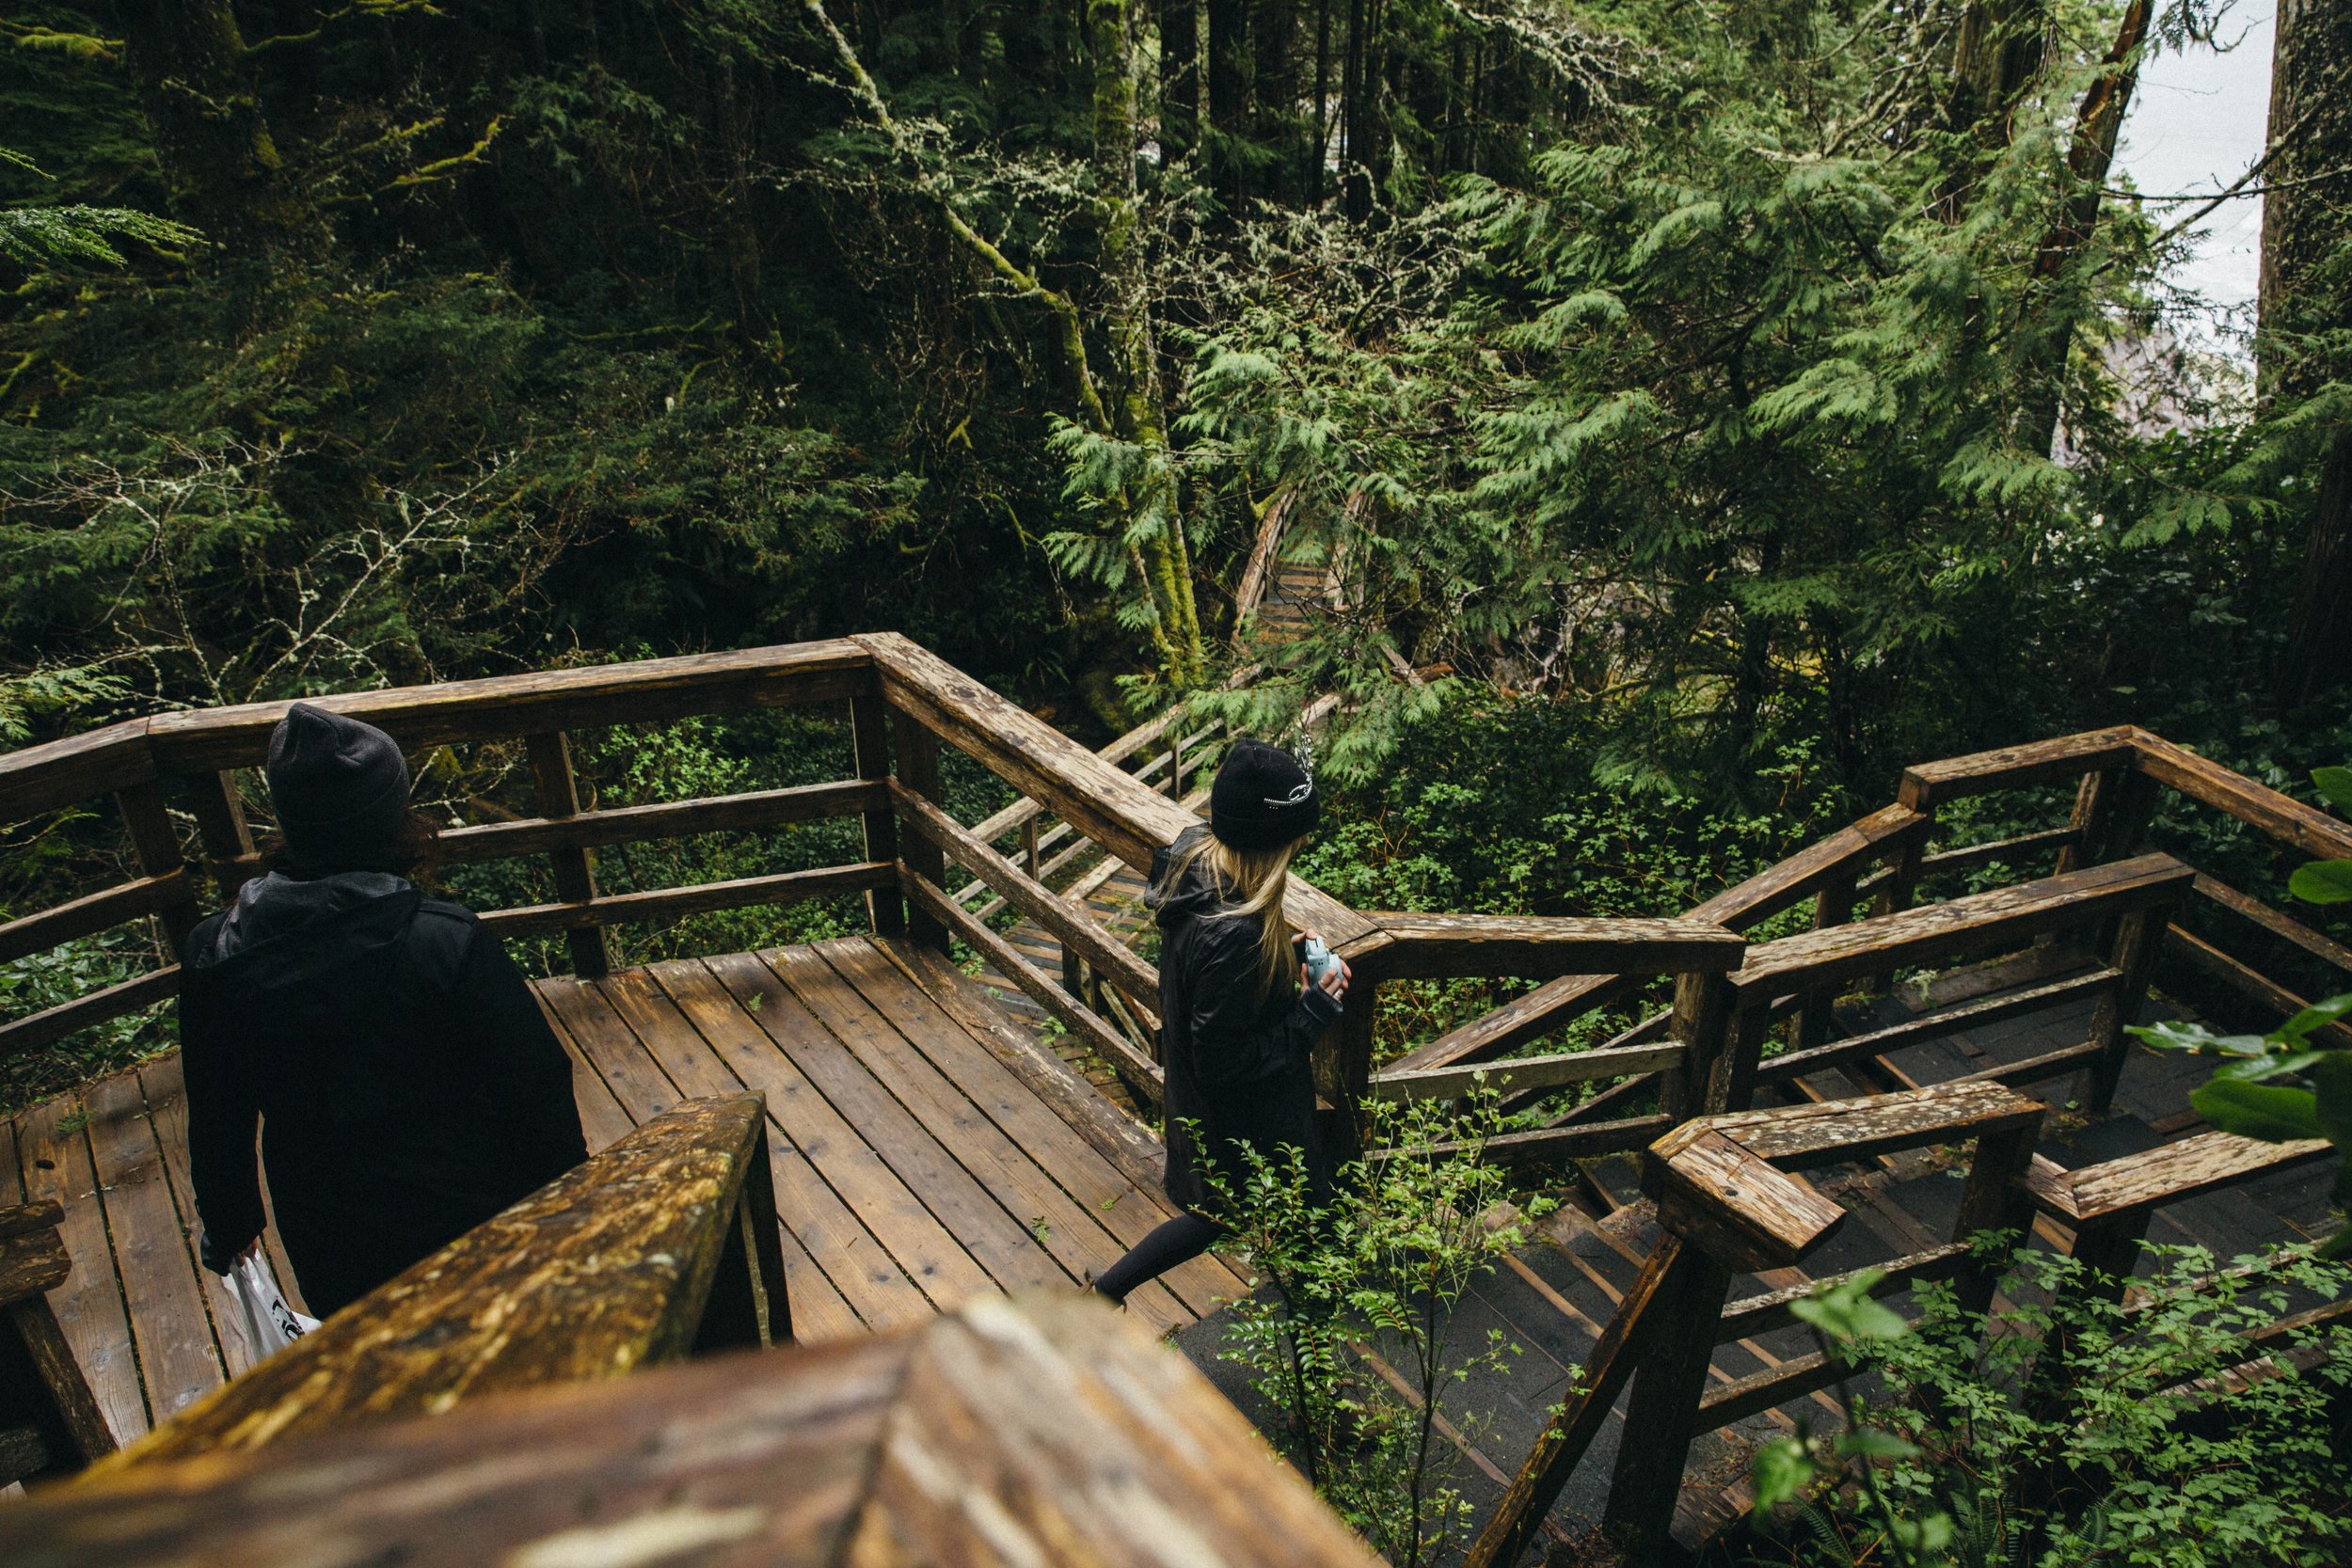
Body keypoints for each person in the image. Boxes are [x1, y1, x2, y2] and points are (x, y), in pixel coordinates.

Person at [181, 704, 589, 1318]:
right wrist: (576, 1203)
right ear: (390, 818)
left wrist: (230, 1222)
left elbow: (219, 1113)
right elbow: (538, 1088)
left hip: (328, 1227)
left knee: (378, 1370)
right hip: (469, 1206)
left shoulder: (216, 955)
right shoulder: (446, 941)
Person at [1090, 738, 1349, 1305]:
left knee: (1223, 1214)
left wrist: (1283, 948)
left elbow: (1219, 986)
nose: (1302, 844)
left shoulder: (1201, 869)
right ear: (1270, 841)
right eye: (1294, 837)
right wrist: (1313, 1012)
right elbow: (1224, 1059)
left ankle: (1105, 1293)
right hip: (1246, 1117)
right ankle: (1316, 1353)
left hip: (1208, 1106)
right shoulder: (1235, 933)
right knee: (1306, 1214)